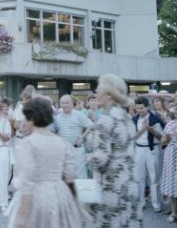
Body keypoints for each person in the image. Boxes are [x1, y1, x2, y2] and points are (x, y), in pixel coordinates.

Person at [6, 96, 80, 228]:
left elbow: (27, 182)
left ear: (32, 118)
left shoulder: (27, 144)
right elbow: (70, 176)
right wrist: (73, 201)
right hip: (60, 195)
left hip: (38, 197)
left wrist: (22, 216)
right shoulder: (61, 142)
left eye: (26, 116)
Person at [86, 74, 141, 227]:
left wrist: (86, 157)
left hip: (112, 185)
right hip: (130, 181)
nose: (96, 94)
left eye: (98, 91)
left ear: (108, 94)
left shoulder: (105, 119)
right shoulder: (126, 117)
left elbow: (100, 159)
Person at [133, 96, 165, 213]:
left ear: (147, 107)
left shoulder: (156, 118)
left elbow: (162, 136)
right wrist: (143, 129)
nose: (139, 110)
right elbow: (132, 136)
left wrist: (151, 130)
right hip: (139, 150)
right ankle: (141, 202)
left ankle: (156, 203)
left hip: (153, 149)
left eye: (141, 108)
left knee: (154, 178)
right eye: (137, 108)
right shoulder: (134, 119)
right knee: (139, 177)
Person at [54, 94, 93, 179]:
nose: (64, 105)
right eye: (62, 103)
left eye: (67, 103)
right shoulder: (57, 118)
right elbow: (54, 132)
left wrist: (82, 137)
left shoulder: (79, 115)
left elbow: (91, 126)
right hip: (63, 151)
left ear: (72, 104)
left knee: (80, 176)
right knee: (65, 176)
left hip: (77, 150)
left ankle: (82, 192)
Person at [161, 110, 177, 223]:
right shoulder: (170, 124)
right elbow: (163, 141)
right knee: (172, 183)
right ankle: (174, 213)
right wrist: (167, 137)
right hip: (172, 155)